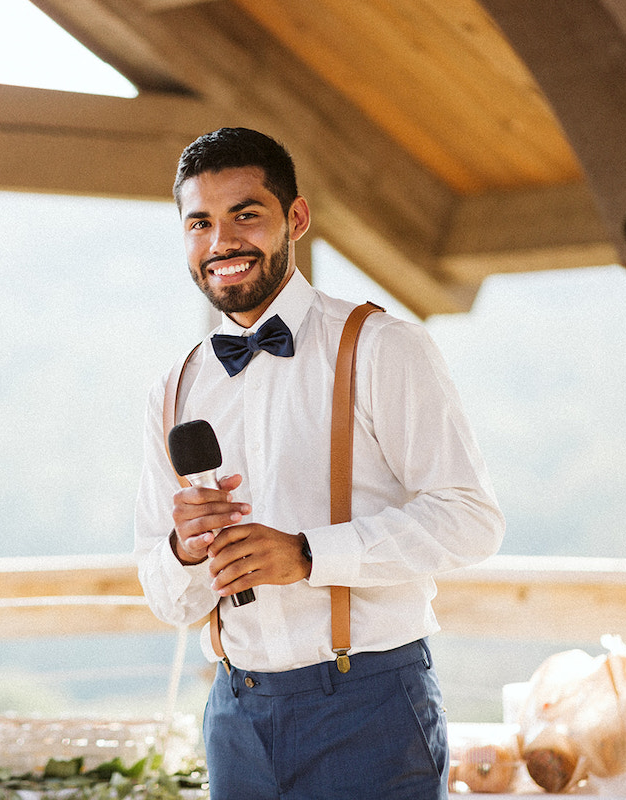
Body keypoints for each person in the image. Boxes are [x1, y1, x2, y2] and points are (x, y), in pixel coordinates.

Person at [134, 128, 505, 799]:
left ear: (295, 219)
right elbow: (165, 597)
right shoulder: (176, 388)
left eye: (246, 214)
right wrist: (185, 552)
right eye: (201, 223)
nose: (222, 243)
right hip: (233, 715)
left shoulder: (384, 349)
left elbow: (471, 520)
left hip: (368, 709)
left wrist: (309, 555)